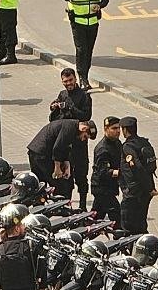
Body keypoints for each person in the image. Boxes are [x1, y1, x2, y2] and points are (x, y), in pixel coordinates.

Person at [49, 68, 92, 208]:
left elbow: (86, 116)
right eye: (65, 81)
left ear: (75, 79)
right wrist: (55, 108)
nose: (68, 83)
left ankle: (83, 205)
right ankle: (65, 205)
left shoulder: (84, 96)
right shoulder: (62, 94)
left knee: (81, 175)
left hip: (79, 142)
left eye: (70, 80)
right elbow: (54, 119)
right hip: (65, 142)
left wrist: (70, 107)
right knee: (65, 177)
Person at [63, 0, 108, 90]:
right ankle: (82, 78)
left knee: (88, 51)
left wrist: (100, 6)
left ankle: (85, 75)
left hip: (93, 21)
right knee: (81, 50)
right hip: (78, 22)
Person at [26, 118, 97, 192]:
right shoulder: (70, 128)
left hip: (35, 151)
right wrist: (57, 169)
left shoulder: (71, 127)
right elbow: (58, 148)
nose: (83, 139)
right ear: (84, 128)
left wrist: (67, 164)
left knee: (39, 184)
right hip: (42, 155)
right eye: (85, 136)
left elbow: (65, 147)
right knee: (58, 184)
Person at [119, 116, 158, 233]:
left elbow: (138, 168)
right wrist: (150, 187)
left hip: (134, 192)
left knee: (128, 225)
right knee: (141, 222)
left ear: (125, 130)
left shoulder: (128, 147)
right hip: (145, 191)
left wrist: (149, 188)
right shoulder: (144, 142)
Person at [91, 116, 122, 225]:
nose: (118, 131)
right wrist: (121, 173)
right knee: (117, 214)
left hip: (108, 187)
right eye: (114, 128)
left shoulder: (117, 143)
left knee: (96, 218)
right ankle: (119, 238)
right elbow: (103, 172)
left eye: (119, 128)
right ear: (106, 129)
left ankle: (83, 234)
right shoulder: (102, 149)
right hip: (102, 188)